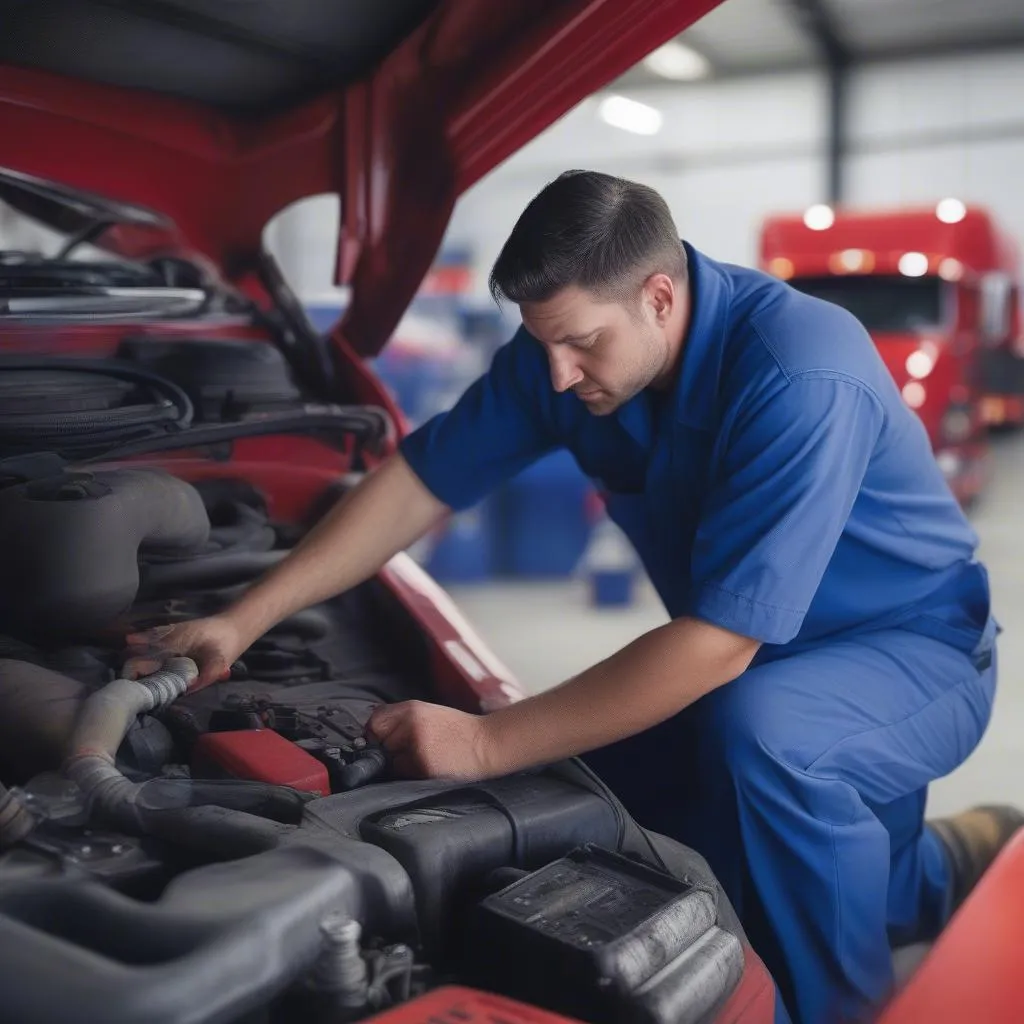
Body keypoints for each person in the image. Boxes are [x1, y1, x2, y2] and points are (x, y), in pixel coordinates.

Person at [126, 170, 1019, 1024]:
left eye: (582, 342)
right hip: (771, 664)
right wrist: (244, 617)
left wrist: (484, 740)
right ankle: (953, 857)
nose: (555, 374)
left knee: (768, 744)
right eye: (542, 341)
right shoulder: (563, 351)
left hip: (914, 651)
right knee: (602, 784)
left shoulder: (799, 371)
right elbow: (418, 483)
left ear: (660, 297)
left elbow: (718, 645)